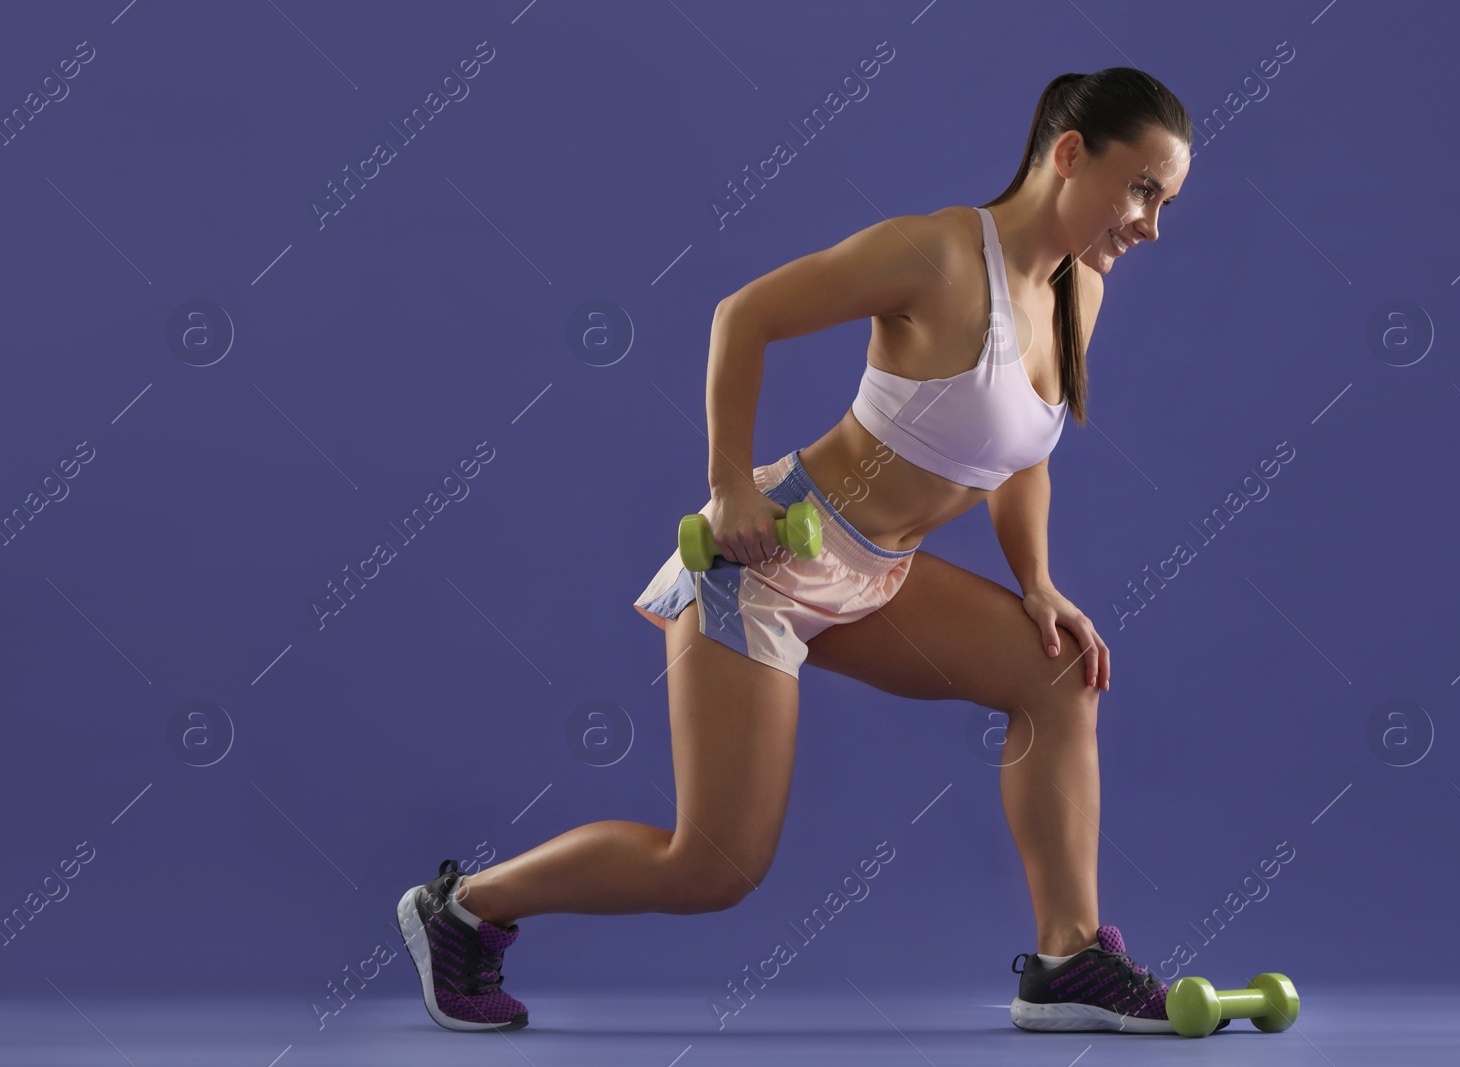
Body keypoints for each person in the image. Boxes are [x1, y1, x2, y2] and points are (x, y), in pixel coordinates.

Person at [397, 67, 1194, 1035]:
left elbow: (1019, 458)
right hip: (765, 562)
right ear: (1070, 155)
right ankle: (464, 907)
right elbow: (746, 314)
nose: (1151, 223)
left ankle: (1068, 959)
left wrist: (1037, 582)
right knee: (714, 865)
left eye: (1166, 200)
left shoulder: (1080, 296)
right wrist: (730, 482)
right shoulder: (938, 254)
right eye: (1144, 189)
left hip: (878, 574)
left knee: (1060, 669)